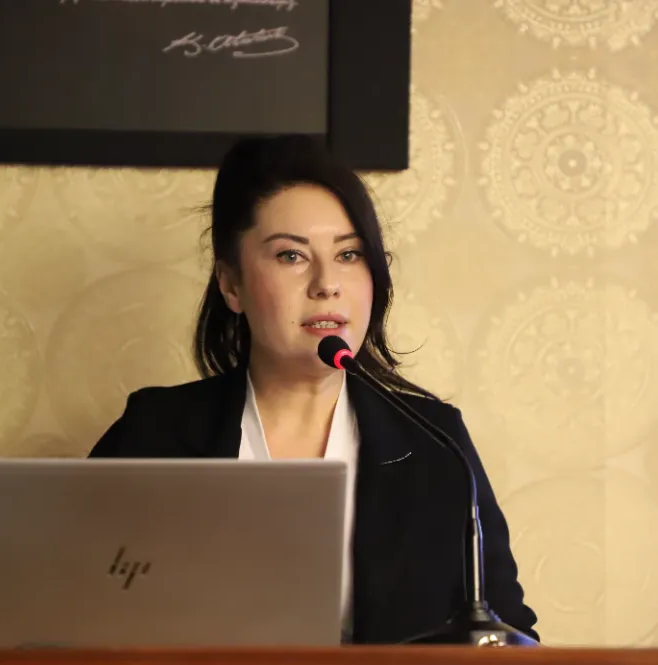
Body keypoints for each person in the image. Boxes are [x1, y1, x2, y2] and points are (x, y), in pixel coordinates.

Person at [88, 135, 539, 645]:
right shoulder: (154, 432)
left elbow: (508, 632)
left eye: (349, 254)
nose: (327, 283)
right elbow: (70, 615)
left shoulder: (436, 443)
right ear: (231, 285)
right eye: (291, 256)